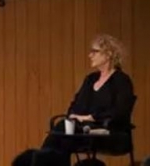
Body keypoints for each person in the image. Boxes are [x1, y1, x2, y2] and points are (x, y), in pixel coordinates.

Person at [41, 34, 135, 165]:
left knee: (61, 135)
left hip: (110, 132)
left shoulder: (121, 81)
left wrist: (91, 117)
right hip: (83, 130)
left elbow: (120, 112)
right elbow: (75, 105)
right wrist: (75, 115)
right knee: (62, 134)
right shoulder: (90, 79)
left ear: (108, 54)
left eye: (94, 51)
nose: (90, 55)